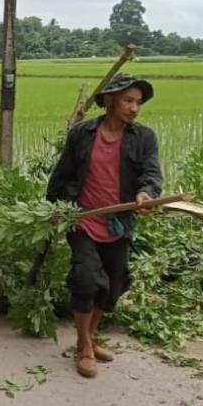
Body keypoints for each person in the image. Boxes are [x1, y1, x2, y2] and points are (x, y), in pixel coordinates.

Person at [47, 73, 162, 380]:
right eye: (128, 100)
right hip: (83, 218)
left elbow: (151, 174)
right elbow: (63, 172)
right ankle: (84, 346)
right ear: (109, 100)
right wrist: (53, 207)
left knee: (113, 285)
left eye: (138, 102)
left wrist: (145, 194)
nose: (134, 108)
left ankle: (90, 335)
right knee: (86, 279)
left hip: (118, 220)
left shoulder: (144, 138)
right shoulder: (83, 133)